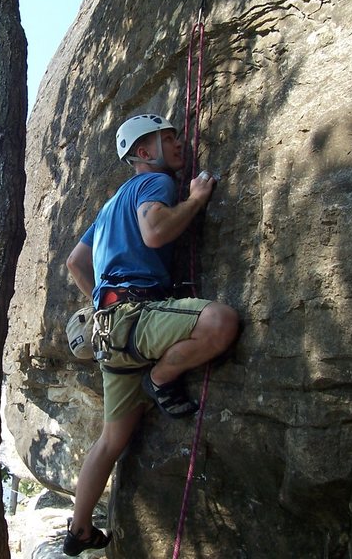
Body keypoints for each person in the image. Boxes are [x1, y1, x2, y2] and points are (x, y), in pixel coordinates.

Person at [62, 114, 239, 556]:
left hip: (109, 333)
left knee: (110, 441)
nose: (179, 143)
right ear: (145, 153)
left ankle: (79, 530)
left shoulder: (107, 209)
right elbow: (155, 231)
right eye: (168, 138)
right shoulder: (155, 183)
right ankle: (160, 379)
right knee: (220, 323)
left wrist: (103, 302)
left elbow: (75, 264)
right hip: (137, 318)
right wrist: (196, 199)